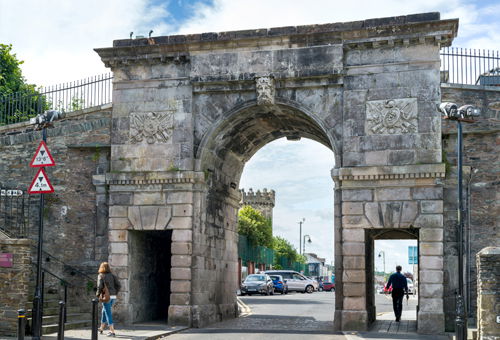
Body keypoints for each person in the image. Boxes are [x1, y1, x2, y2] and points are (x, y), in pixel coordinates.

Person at [96, 262, 121, 337]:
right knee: (104, 311)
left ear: (101, 268)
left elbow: (99, 287)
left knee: (108, 313)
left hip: (106, 297)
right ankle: (101, 328)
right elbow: (119, 285)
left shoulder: (101, 275)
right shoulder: (112, 275)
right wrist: (115, 292)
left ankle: (112, 331)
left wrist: (98, 294)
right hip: (113, 297)